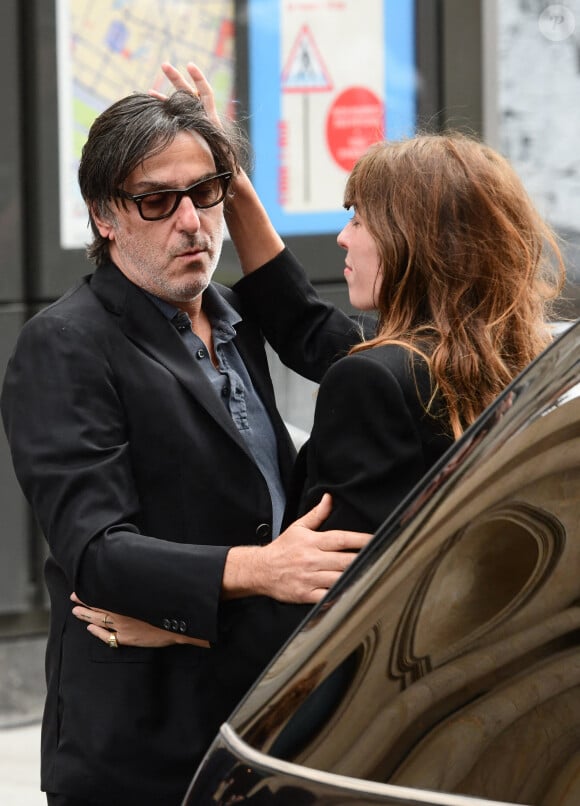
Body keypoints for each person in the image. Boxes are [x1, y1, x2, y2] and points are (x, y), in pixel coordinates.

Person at [0, 89, 373, 806]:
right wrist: (259, 570)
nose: (190, 222)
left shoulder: (236, 315)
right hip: (140, 750)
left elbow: (349, 351)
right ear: (105, 216)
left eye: (205, 194)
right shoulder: (66, 344)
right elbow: (97, 552)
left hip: (261, 727)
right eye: (156, 202)